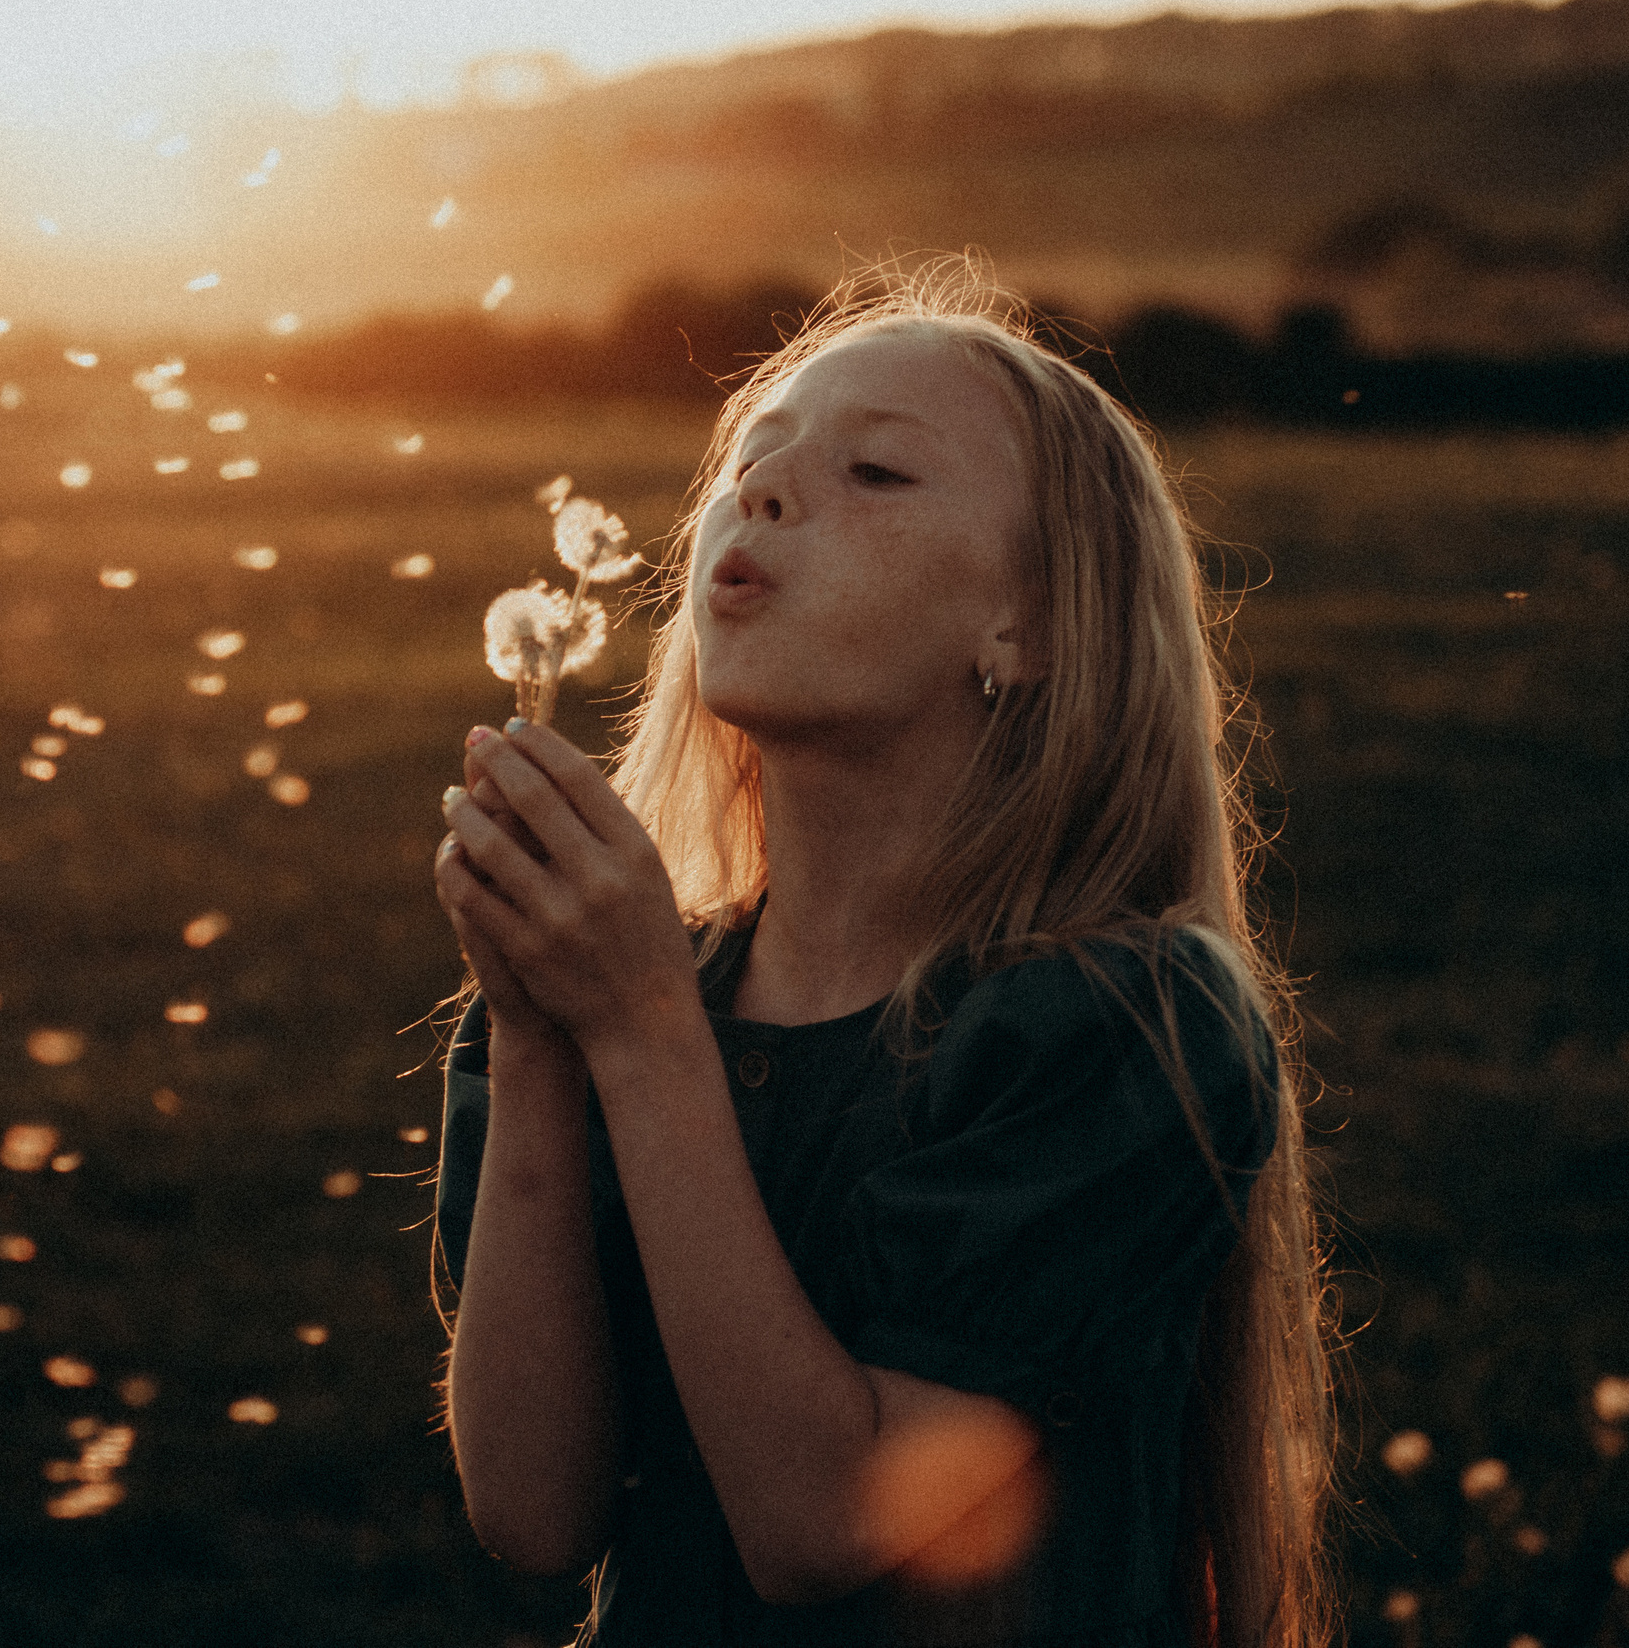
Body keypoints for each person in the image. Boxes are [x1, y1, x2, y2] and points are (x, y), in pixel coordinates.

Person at [428, 262, 1335, 1647]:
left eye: (877, 473)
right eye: (753, 460)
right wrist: (544, 1036)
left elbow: (822, 1520)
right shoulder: (615, 990)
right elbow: (534, 1508)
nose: (765, 492)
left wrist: (640, 1030)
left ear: (1026, 625)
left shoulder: (1120, 1024)